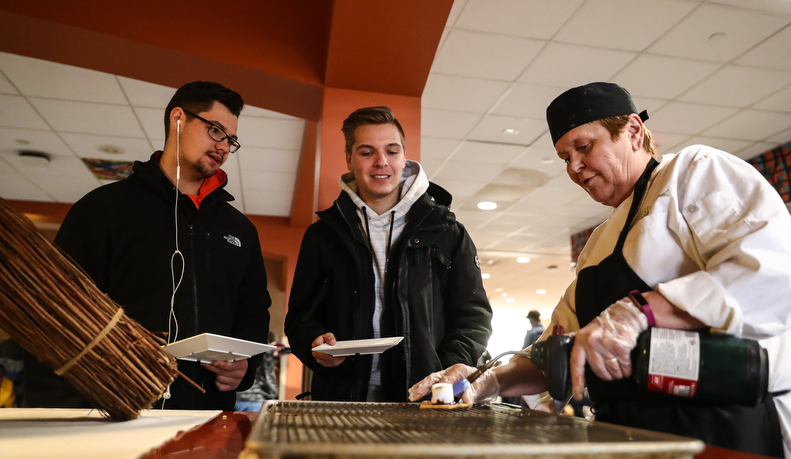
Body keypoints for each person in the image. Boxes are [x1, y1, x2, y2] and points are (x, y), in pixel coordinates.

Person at [410, 82, 791, 457]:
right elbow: (559, 350)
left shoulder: (693, 173)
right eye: (565, 158)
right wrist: (490, 379)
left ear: (633, 131)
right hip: (631, 433)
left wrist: (639, 311)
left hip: (727, 428)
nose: (575, 168)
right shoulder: (597, 242)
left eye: (584, 147)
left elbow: (772, 275)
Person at [24, 81, 272, 411]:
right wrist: (56, 413)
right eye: (215, 130)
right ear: (179, 119)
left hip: (208, 416)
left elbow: (253, 313)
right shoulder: (104, 209)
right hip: (114, 412)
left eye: (231, 140)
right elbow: (54, 310)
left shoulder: (240, 229)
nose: (224, 147)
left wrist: (245, 368)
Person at [285, 106, 492, 402]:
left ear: (404, 156)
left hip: (427, 401)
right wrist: (313, 343)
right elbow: (301, 320)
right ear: (349, 159)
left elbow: (474, 317)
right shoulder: (322, 236)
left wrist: (445, 371)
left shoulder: (448, 231)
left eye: (391, 151)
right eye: (367, 152)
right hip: (341, 400)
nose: (381, 162)